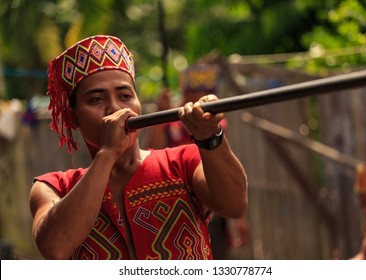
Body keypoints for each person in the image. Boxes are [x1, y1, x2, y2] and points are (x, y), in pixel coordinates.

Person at [28, 35, 248, 260]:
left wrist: (210, 136)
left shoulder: (184, 162)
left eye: (125, 96)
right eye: (96, 100)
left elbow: (234, 205)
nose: (115, 108)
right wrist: (108, 153)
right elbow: (54, 247)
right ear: (73, 116)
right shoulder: (52, 187)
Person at [144, 63, 249, 259]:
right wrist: (159, 116)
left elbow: (224, 168)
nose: (200, 99)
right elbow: (152, 155)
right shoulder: (170, 123)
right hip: (175, 208)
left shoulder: (215, 124)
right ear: (185, 95)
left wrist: (239, 219)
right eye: (194, 92)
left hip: (212, 208)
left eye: (206, 93)